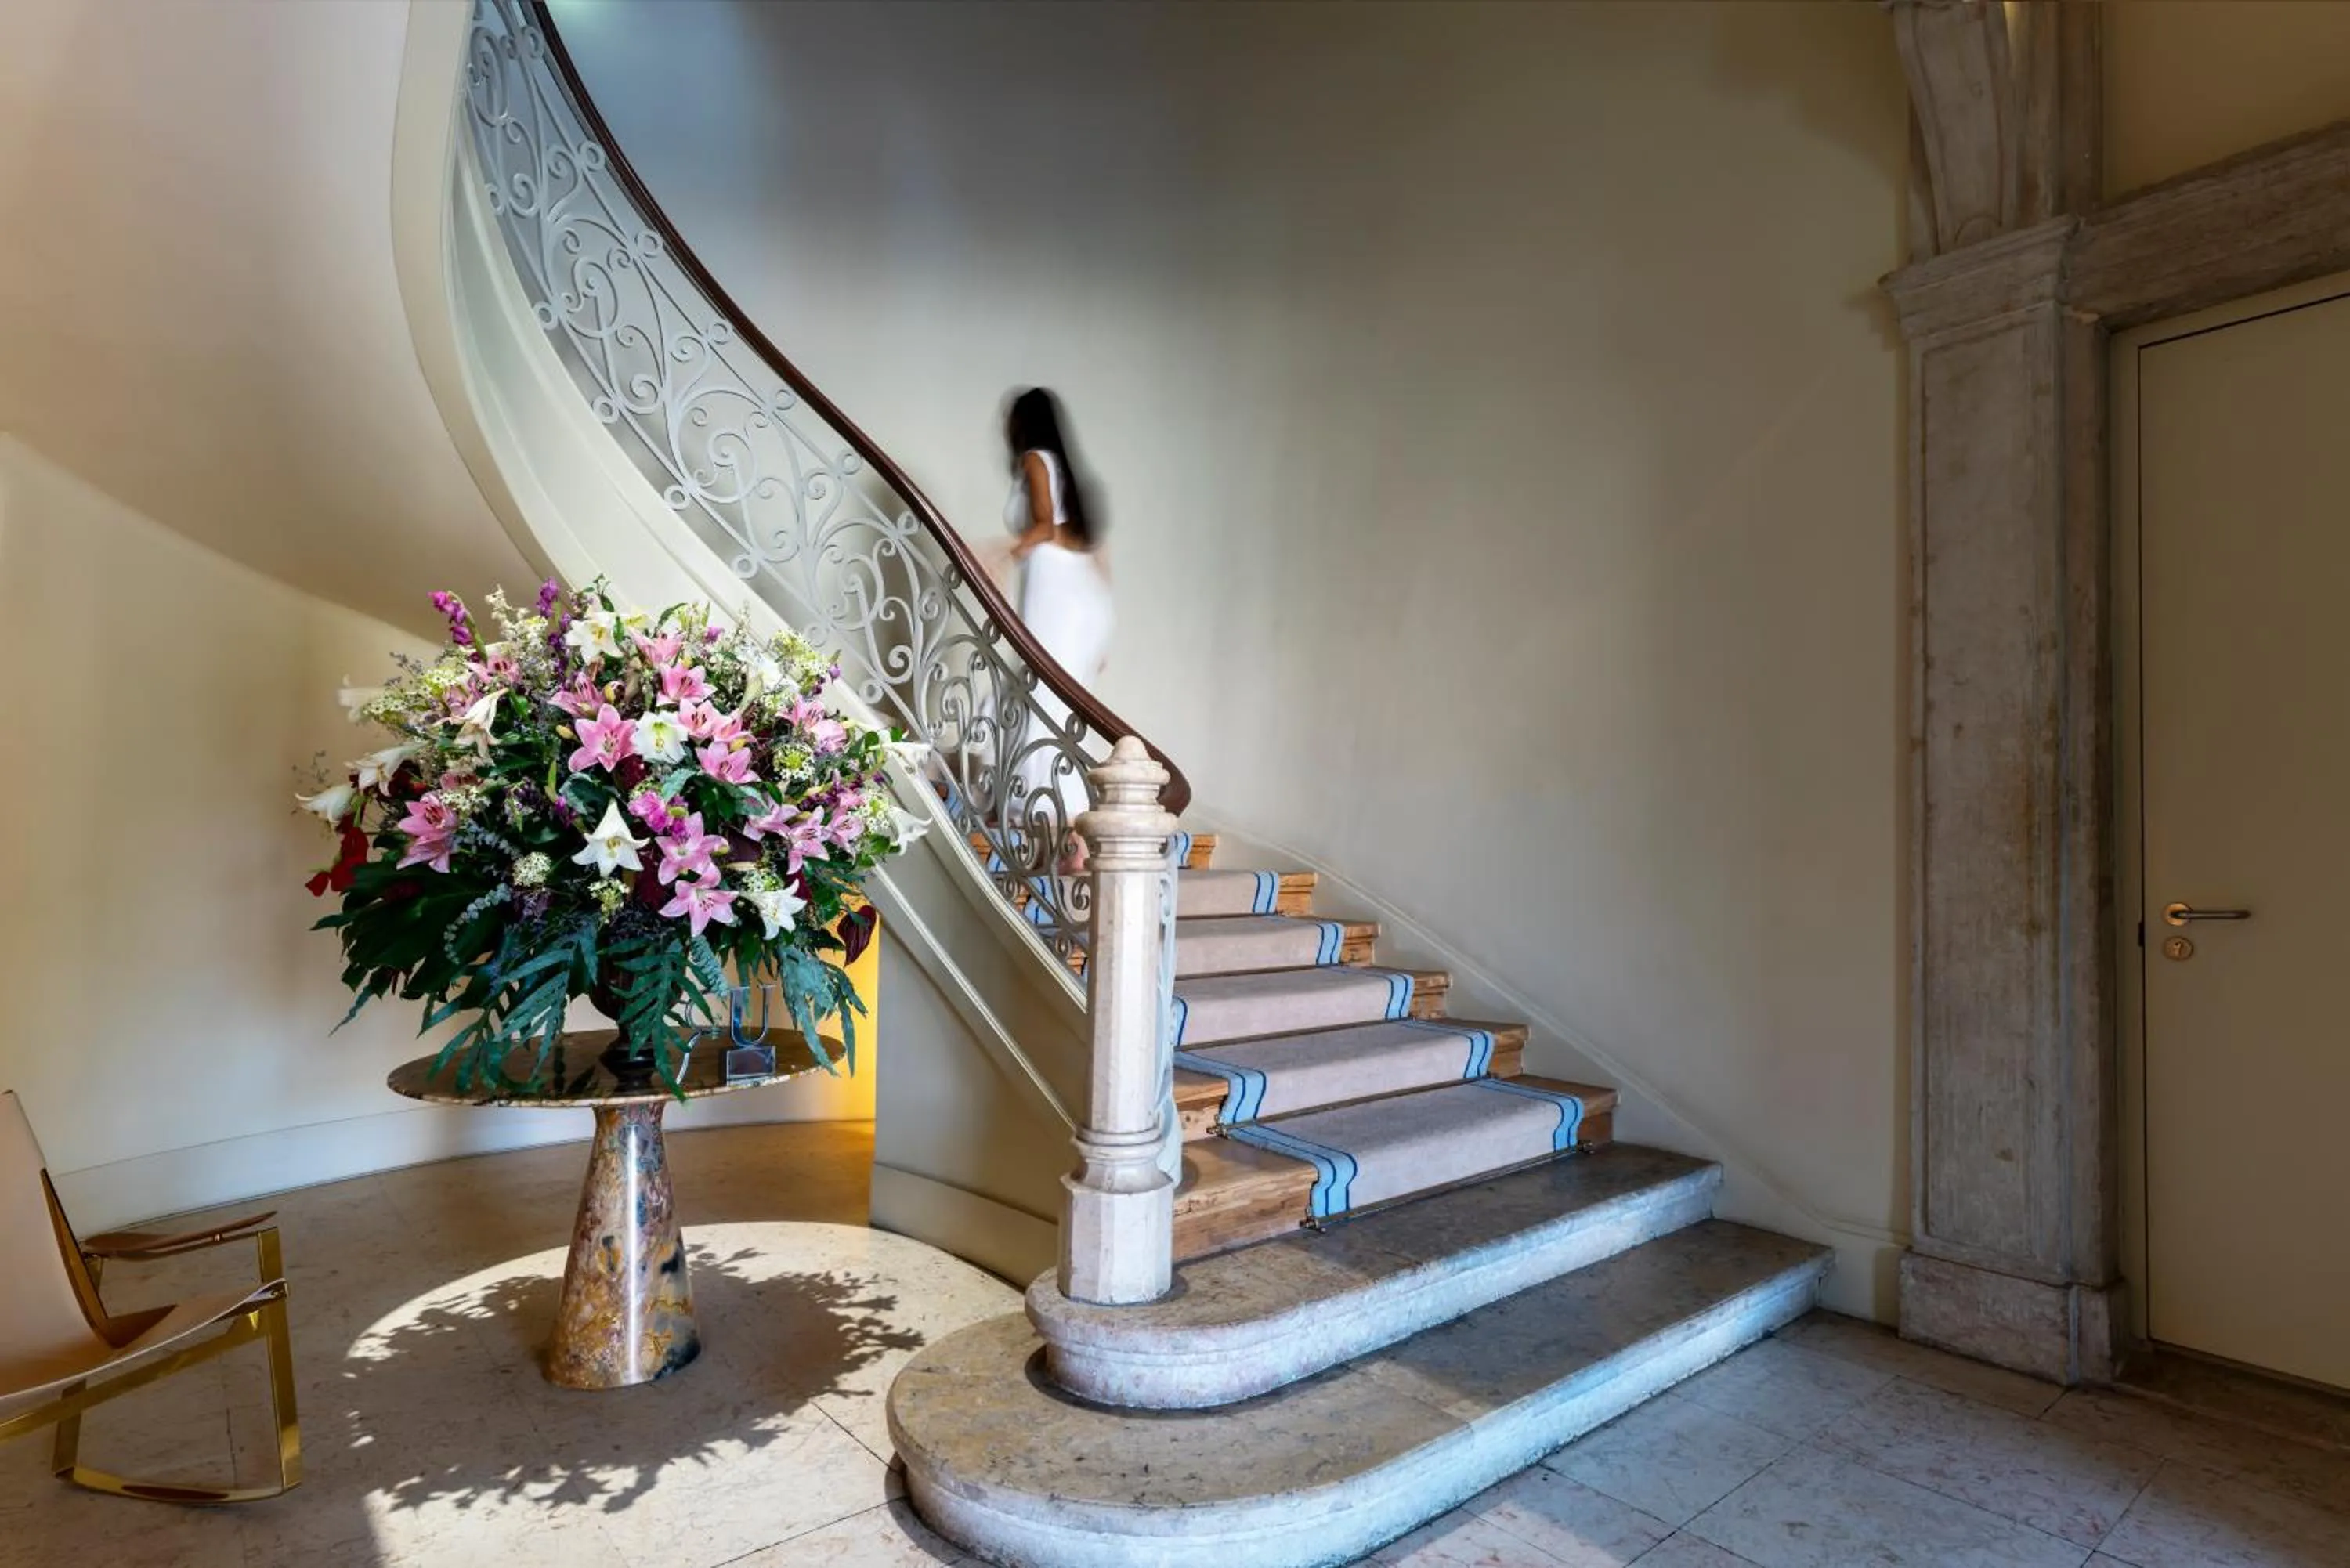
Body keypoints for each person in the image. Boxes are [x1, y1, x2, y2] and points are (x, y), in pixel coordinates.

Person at [988, 387, 1112, 873]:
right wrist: (1104, 626)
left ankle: (1069, 837)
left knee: (1043, 702)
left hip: (1059, 592)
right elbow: (1088, 546)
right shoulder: (1066, 470)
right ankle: (1059, 835)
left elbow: (1042, 526)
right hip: (1080, 595)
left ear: (1023, 423)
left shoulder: (1035, 460)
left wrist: (1001, 554)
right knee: (1047, 704)